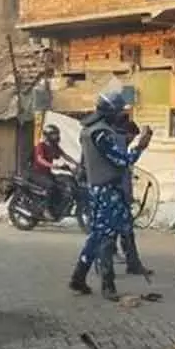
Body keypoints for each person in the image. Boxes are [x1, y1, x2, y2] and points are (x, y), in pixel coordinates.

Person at [70, 92, 153, 300]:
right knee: (106, 237)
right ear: (111, 112)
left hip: (105, 189)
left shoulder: (91, 130)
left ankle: (78, 277)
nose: (121, 116)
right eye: (119, 111)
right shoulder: (101, 134)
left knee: (103, 233)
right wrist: (140, 147)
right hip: (106, 190)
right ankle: (108, 284)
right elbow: (121, 161)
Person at [113, 118, 152, 277]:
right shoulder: (118, 142)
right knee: (114, 232)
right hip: (115, 195)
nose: (131, 140)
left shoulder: (114, 141)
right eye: (132, 136)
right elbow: (125, 162)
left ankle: (132, 264)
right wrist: (140, 147)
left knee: (125, 232)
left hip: (120, 194)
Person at [31, 123, 79, 216]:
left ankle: (57, 206)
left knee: (62, 183)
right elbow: (40, 159)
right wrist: (51, 165)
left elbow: (64, 155)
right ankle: (46, 209)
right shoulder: (41, 146)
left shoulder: (54, 146)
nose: (56, 136)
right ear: (48, 135)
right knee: (51, 186)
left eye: (57, 134)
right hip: (37, 173)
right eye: (54, 134)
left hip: (47, 173)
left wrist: (76, 163)